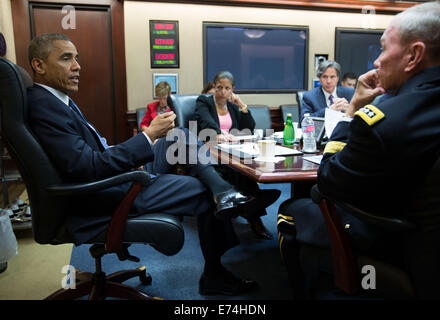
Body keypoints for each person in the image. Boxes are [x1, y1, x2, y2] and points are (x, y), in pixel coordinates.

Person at [26, 33, 261, 296]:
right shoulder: (44, 106)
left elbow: (88, 156)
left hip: (115, 176)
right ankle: (215, 269)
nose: (77, 66)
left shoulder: (57, 102)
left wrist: (136, 149)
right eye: (66, 58)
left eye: (77, 59)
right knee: (201, 189)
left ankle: (223, 189)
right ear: (39, 65)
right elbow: (86, 167)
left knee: (177, 135)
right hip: (107, 191)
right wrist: (148, 136)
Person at [278, 1, 440, 298]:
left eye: (383, 49)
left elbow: (328, 178)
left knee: (291, 210)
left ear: (414, 55)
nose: (377, 61)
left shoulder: (383, 122)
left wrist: (352, 110)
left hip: (400, 244)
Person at [195, 70, 281, 240]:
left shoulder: (233, 107)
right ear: (214, 86)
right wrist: (218, 133)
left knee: (244, 171)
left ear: (232, 89)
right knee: (234, 171)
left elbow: (248, 128)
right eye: (219, 87)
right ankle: (252, 210)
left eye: (227, 88)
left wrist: (242, 105)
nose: (223, 92)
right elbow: (205, 121)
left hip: (232, 150)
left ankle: (248, 208)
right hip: (211, 149)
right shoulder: (204, 101)